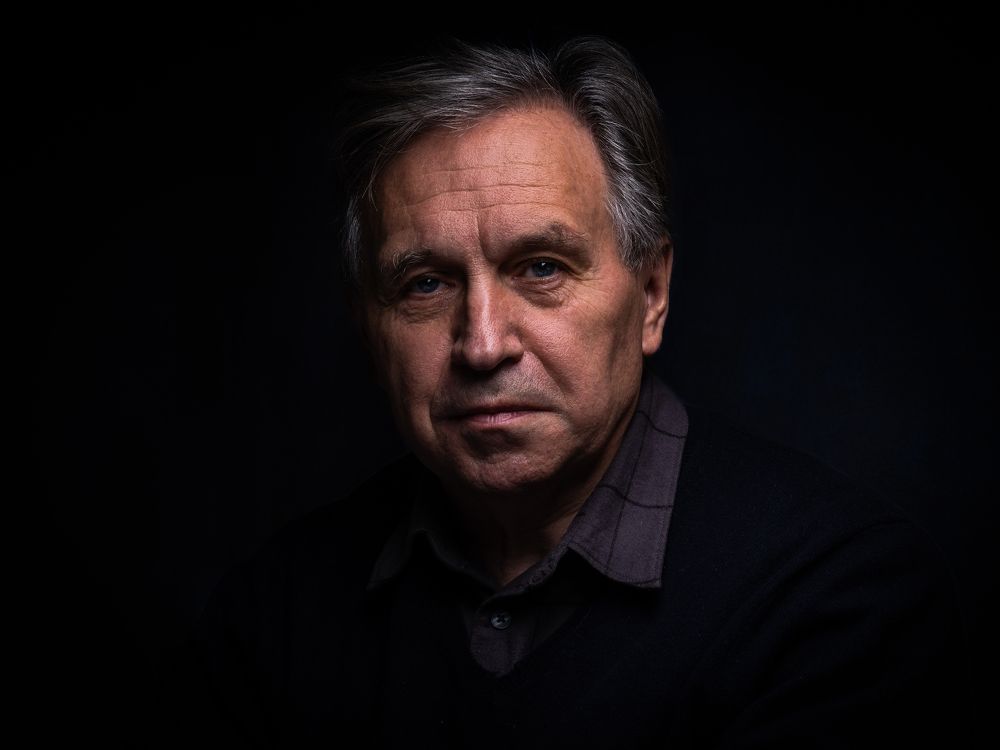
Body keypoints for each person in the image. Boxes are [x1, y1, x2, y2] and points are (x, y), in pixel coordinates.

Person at [165, 36, 969, 747]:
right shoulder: (271, 620)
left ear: (651, 295)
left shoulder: (836, 601)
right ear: (371, 331)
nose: (483, 344)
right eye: (425, 284)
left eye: (541, 268)